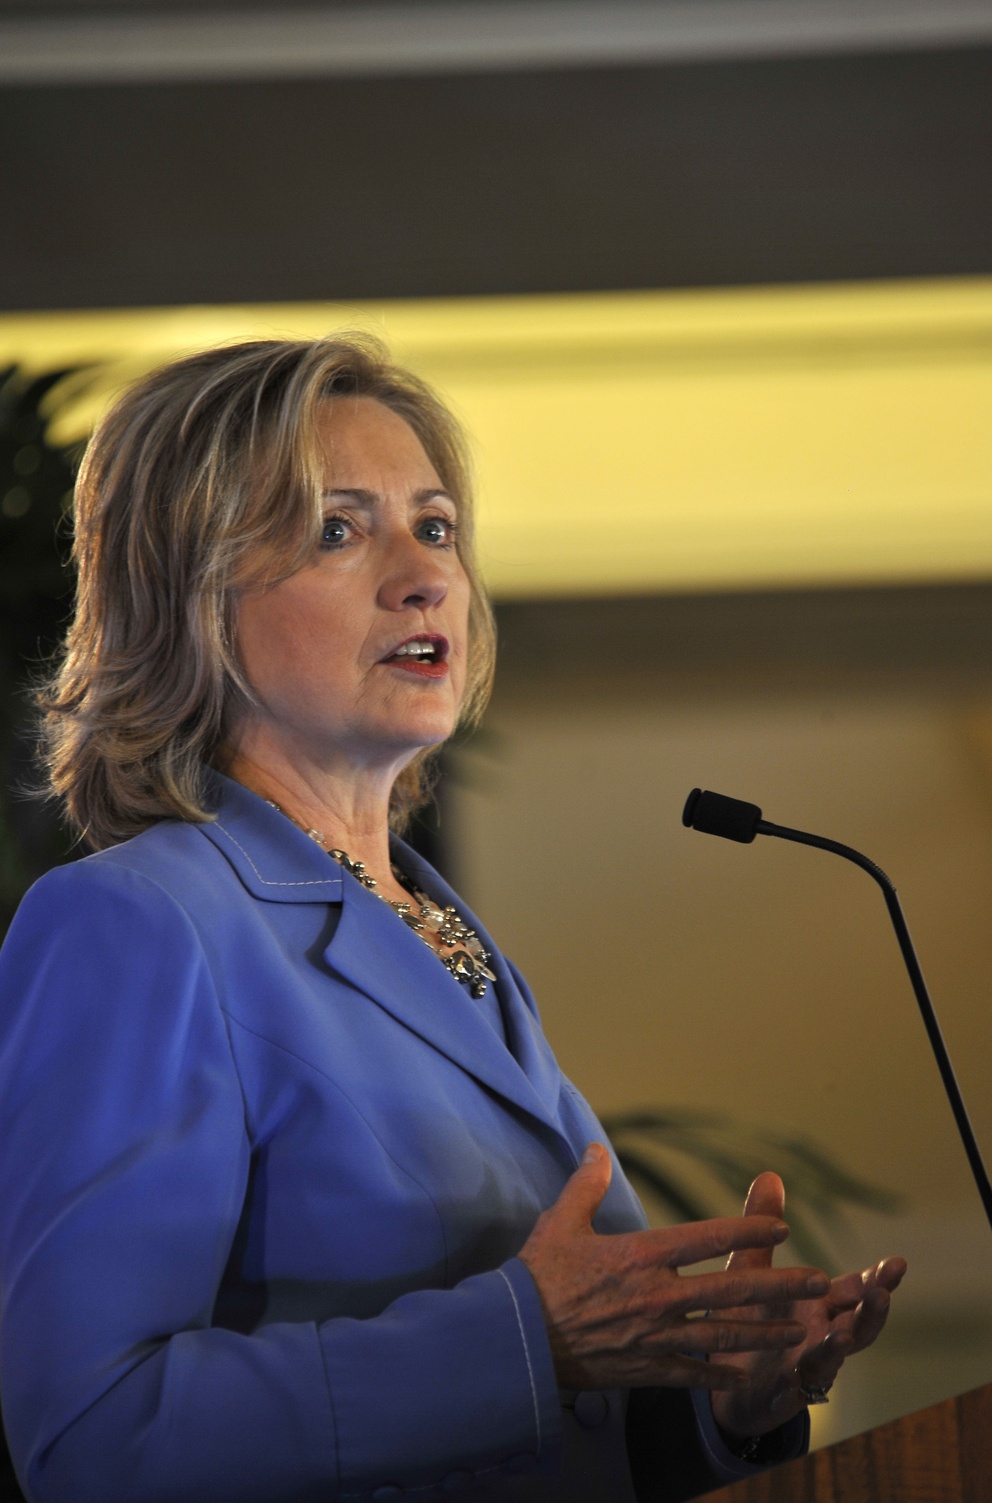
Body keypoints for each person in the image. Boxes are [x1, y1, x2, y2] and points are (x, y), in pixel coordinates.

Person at [0, 337, 905, 1503]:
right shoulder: (138, 925)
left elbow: (556, 1424)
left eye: (433, 528)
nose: (423, 576)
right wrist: (530, 1340)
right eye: (338, 529)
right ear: (194, 596)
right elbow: (92, 1438)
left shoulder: (452, 944)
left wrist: (720, 1404)